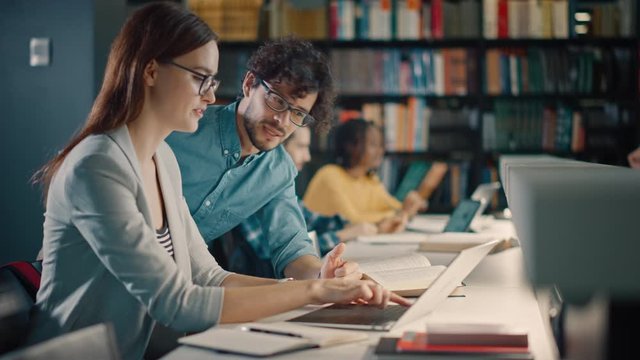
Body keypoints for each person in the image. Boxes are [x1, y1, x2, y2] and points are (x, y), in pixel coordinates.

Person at [27, 4, 408, 359]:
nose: (210, 97)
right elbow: (178, 302)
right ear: (151, 71)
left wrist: (321, 288)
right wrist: (312, 291)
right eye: (200, 79)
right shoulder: (99, 165)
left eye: (212, 81)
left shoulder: (162, 161)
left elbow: (209, 276)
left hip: (144, 342)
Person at [166, 37, 359, 280]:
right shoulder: (181, 129)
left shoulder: (279, 171)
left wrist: (322, 275)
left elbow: (291, 247)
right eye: (277, 100)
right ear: (249, 84)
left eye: (298, 113)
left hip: (179, 284)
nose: (283, 121)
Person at [236, 127, 378, 277]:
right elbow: (268, 253)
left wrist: (350, 226)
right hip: (264, 286)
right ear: (278, 148)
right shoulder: (253, 190)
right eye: (301, 146)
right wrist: (343, 235)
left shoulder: (282, 187)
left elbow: (312, 220)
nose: (307, 157)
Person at [304, 118, 427, 227]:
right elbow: (351, 220)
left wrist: (411, 206)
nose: (380, 151)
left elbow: (394, 207)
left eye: (381, 145)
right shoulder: (329, 175)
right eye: (373, 144)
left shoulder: (369, 179)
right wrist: (400, 213)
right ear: (350, 146)